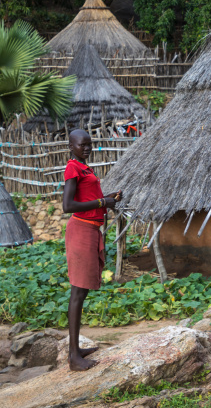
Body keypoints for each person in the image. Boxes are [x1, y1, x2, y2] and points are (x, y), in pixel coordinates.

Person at [63, 129, 122, 371]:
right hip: (81, 231)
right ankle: (74, 358)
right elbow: (68, 205)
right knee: (78, 292)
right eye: (81, 144)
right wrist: (101, 203)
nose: (86, 148)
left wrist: (108, 199)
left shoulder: (85, 168)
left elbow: (88, 198)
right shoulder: (73, 168)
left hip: (90, 231)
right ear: (71, 146)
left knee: (83, 291)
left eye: (89, 144)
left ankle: (76, 350)